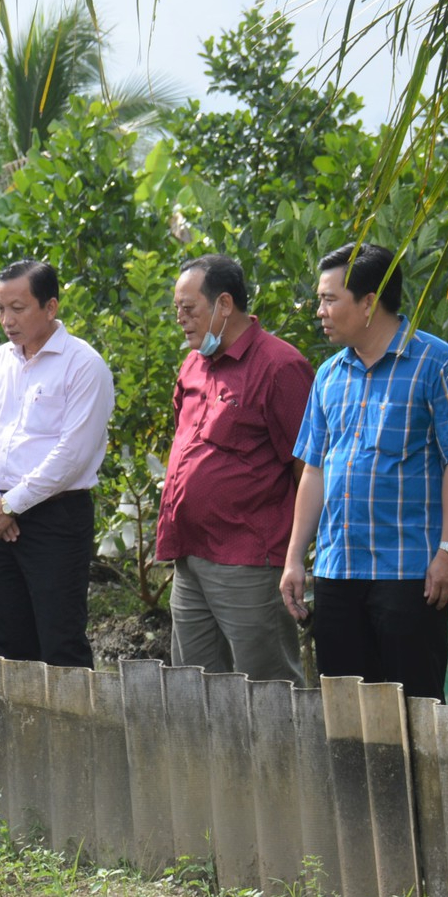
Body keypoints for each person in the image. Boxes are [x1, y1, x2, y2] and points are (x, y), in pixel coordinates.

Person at [281, 243, 448, 702]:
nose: (320, 311)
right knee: (347, 711)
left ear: (369, 301)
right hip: (338, 570)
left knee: (414, 708)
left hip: (409, 573)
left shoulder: (437, 365)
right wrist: (295, 558)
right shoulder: (329, 375)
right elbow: (314, 468)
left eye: (330, 299)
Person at [156, 254, 314, 684]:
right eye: (177, 310)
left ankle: (283, 756)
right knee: (195, 685)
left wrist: (298, 556)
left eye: (190, 309)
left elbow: (310, 471)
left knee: (268, 689)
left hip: (248, 560)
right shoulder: (194, 363)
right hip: (189, 555)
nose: (181, 320)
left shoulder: (280, 367)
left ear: (224, 304)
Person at [0, 259, 114, 667]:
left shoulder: (83, 364)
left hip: (56, 516)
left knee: (60, 638)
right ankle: (22, 730)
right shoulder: (0, 360)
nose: (6, 320)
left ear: (50, 307)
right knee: (10, 640)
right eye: (0, 308)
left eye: (18, 308)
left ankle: (77, 731)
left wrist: (12, 503)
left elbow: (73, 453)